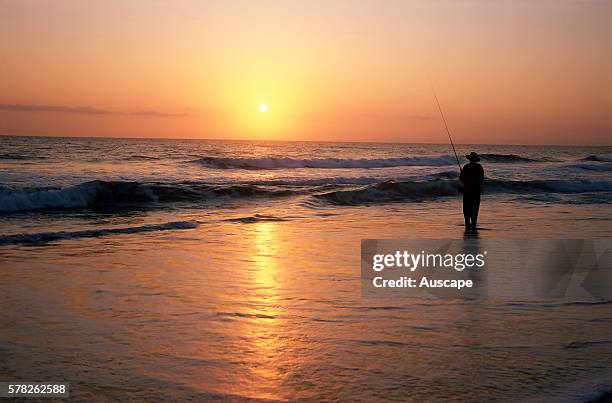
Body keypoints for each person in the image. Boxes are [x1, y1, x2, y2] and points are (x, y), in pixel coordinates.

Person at [459, 152, 484, 230]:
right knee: (475, 208)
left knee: (466, 208)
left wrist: (466, 182)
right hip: (476, 190)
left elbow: (461, 179)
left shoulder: (466, 167)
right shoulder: (479, 167)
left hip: (467, 190)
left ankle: (467, 224)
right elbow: (481, 179)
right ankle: (473, 224)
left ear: (469, 159)